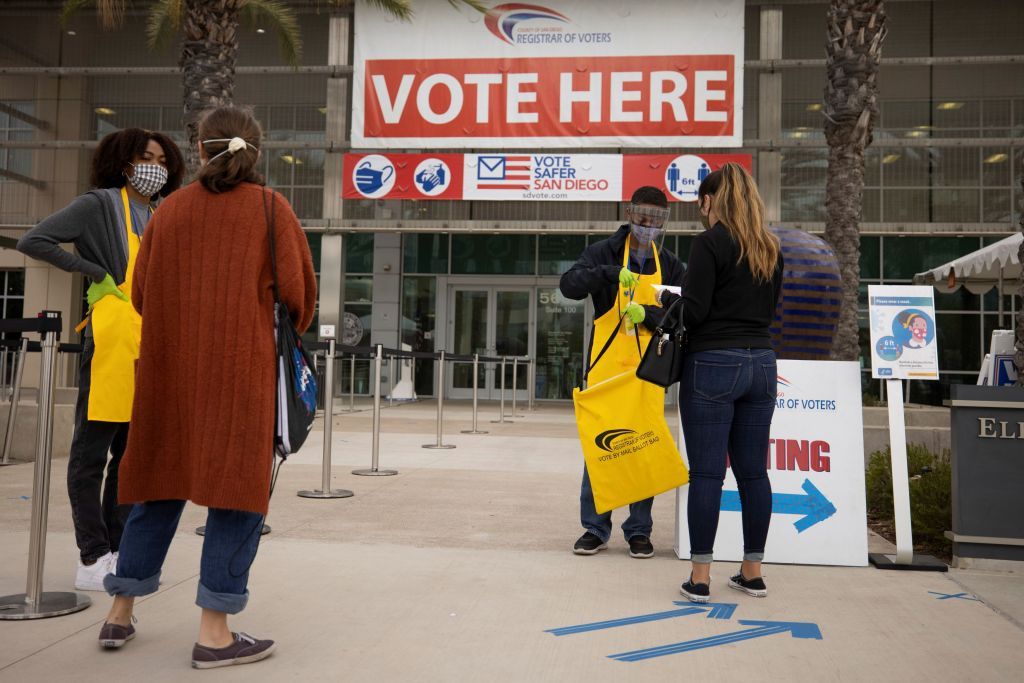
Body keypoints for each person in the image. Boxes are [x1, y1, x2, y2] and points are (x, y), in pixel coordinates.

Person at [97, 106, 317, 669]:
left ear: (199, 151)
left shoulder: (168, 212)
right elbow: (300, 301)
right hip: (241, 376)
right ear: (256, 153)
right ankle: (215, 632)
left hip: (169, 376)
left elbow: (140, 293)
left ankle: (120, 612)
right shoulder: (271, 209)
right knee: (237, 494)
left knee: (159, 485)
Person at [17, 128, 184, 591]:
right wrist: (92, 270)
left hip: (148, 344)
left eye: (163, 160)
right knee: (91, 455)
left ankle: (118, 548)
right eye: (146, 158)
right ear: (124, 162)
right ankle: (91, 555)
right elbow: (34, 240)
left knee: (130, 457)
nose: (155, 167)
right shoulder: (99, 204)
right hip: (110, 339)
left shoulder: (160, 212)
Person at [660, 163, 783, 603]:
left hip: (713, 362)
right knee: (754, 473)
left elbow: (692, 313)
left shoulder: (709, 243)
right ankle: (752, 572)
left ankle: (700, 577)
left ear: (710, 200)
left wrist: (662, 304)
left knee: (708, 474)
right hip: (763, 365)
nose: (699, 208)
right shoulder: (771, 247)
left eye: (700, 201)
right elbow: (770, 312)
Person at [559, 186, 685, 559]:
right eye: (643, 217)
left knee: (641, 446)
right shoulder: (604, 252)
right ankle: (595, 528)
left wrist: (648, 315)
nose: (648, 226)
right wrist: (610, 274)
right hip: (606, 369)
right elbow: (569, 285)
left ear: (664, 223)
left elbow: (684, 312)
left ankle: (639, 530)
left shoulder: (672, 264)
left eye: (656, 220)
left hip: (647, 371)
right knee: (600, 448)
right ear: (630, 214)